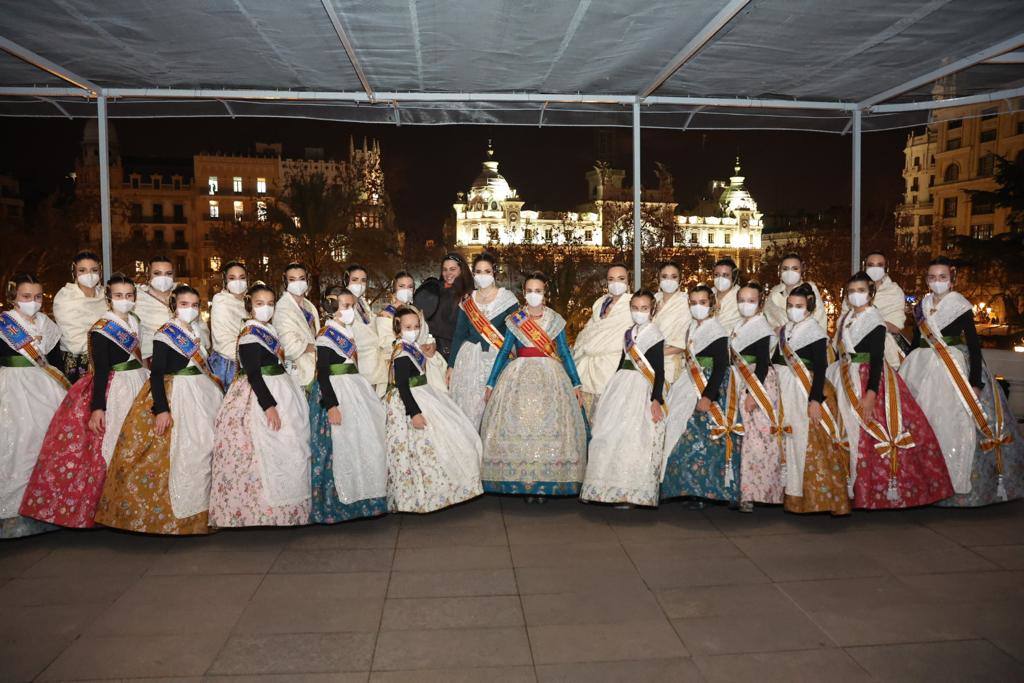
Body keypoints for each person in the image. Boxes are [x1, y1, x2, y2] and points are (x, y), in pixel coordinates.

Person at [20, 274, 149, 528]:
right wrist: (97, 407)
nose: (125, 300)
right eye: (119, 296)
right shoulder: (102, 329)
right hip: (117, 388)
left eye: (129, 295)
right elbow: (100, 370)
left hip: (139, 382)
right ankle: (108, 508)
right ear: (109, 299)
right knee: (113, 446)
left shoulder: (135, 321)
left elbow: (140, 356)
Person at [95, 285, 220, 535]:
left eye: (195, 305)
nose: (190, 309)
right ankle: (180, 518)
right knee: (184, 453)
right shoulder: (165, 334)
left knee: (207, 450)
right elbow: (157, 374)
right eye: (184, 304)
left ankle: (207, 511)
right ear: (174, 305)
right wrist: (161, 409)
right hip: (179, 395)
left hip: (203, 395)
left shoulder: (197, 332)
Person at [900, 257, 1023, 506]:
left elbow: (975, 346)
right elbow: (915, 342)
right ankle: (920, 481)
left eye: (942, 277)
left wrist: (975, 382)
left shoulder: (960, 305)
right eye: (932, 277)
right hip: (920, 366)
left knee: (951, 423)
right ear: (926, 280)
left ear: (952, 280)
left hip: (952, 366)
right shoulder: (921, 306)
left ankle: (952, 484)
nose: (937, 282)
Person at [827, 272, 953, 509]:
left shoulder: (874, 320)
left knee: (869, 433)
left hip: (867, 379)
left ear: (871, 293)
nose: (856, 295)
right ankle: (846, 485)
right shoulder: (845, 319)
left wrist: (871, 394)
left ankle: (876, 490)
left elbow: (876, 359)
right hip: (842, 376)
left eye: (861, 290)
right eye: (851, 291)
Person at [209, 284, 311, 526]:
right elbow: (253, 374)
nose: (266, 308)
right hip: (260, 396)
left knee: (291, 446)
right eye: (259, 303)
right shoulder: (250, 335)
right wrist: (269, 406)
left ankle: (290, 510)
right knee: (261, 451)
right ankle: (260, 512)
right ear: (250, 306)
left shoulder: (269, 330)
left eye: (270, 303)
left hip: (281, 387)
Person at [481, 272, 587, 498]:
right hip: (518, 377)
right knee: (519, 425)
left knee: (549, 427)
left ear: (544, 294)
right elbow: (503, 353)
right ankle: (522, 482)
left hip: (550, 378)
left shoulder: (555, 319)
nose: (533, 295)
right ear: (524, 294)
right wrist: (491, 384)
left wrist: (576, 384)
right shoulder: (515, 320)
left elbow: (565, 354)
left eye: (538, 291)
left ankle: (546, 481)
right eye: (529, 291)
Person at [384, 307, 483, 513]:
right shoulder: (402, 352)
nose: (413, 330)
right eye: (408, 327)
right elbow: (402, 386)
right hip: (412, 401)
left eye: (416, 326)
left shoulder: (412, 347)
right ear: (398, 328)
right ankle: (419, 496)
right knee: (419, 449)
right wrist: (415, 413)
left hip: (424, 393)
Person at [307, 286, 388, 523]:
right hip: (336, 393)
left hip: (355, 388)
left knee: (364, 442)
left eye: (352, 306)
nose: (350, 310)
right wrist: (331, 405)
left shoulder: (347, 331)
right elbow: (322, 374)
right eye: (345, 306)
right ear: (332, 308)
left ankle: (366, 498)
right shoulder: (326, 336)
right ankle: (336, 505)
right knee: (339, 446)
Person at [580, 290, 666, 506]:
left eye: (644, 308)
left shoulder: (654, 334)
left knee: (634, 437)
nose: (639, 312)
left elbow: (659, 370)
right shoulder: (628, 333)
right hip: (621, 384)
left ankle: (629, 491)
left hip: (641, 387)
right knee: (607, 433)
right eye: (635, 308)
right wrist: (611, 387)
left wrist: (656, 400)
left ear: (652, 310)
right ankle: (601, 488)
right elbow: (621, 361)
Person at [0, 275, 68, 538]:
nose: (32, 302)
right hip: (12, 387)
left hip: (45, 385)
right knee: (17, 441)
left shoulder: (46, 324)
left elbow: (54, 360)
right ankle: (12, 512)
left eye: (37, 297)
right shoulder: (5, 324)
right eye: (26, 296)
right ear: (13, 297)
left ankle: (47, 507)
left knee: (48, 442)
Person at [661, 285, 742, 504]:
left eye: (703, 303)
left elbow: (721, 367)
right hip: (688, 382)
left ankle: (704, 491)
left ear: (712, 305)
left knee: (703, 440)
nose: (698, 307)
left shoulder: (718, 331)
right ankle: (685, 488)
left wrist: (708, 396)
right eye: (693, 303)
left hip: (708, 388)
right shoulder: (690, 328)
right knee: (678, 432)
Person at [774, 284, 850, 515]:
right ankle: (789, 495)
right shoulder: (784, 330)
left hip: (805, 391)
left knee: (807, 442)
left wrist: (815, 400)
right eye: (790, 305)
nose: (793, 310)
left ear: (808, 308)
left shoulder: (815, 332)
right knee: (786, 440)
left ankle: (819, 499)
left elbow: (820, 367)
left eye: (799, 306)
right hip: (783, 389)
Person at [446, 252, 519, 428]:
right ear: (473, 274)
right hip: (469, 361)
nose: (482, 276)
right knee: (469, 411)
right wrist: (451, 365)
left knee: (495, 412)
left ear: (494, 272)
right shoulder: (468, 301)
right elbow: (459, 334)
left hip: (498, 360)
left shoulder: (508, 299)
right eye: (478, 272)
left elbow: (517, 334)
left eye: (487, 271)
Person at [730, 282, 785, 511]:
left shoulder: (761, 327)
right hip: (740, 380)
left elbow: (763, 363)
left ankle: (755, 494)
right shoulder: (737, 325)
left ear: (760, 303)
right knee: (742, 439)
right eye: (742, 300)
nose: (746, 305)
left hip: (757, 384)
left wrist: (754, 393)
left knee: (758, 442)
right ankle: (741, 491)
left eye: (751, 301)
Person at [572, 263, 634, 419]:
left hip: (612, 365)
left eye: (621, 279)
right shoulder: (600, 302)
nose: (616, 283)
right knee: (586, 416)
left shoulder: (633, 304)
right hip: (588, 364)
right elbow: (588, 331)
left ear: (628, 282)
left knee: (609, 417)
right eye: (611, 279)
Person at [375, 271, 448, 394]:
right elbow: (386, 344)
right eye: (401, 286)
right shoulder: (386, 315)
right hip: (402, 367)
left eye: (410, 287)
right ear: (394, 289)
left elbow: (425, 335)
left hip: (424, 364)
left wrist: (431, 345)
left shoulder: (415, 311)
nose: (406, 290)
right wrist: (416, 348)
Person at [840, 251, 909, 368]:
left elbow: (896, 327)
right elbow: (842, 320)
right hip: (853, 349)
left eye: (879, 265)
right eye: (870, 265)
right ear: (864, 266)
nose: (875, 269)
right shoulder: (853, 290)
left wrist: (871, 322)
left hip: (885, 351)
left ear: (886, 268)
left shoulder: (894, 292)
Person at [135, 256, 210, 361]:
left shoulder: (184, 295)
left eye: (168, 274)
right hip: (152, 362)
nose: (163, 278)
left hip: (189, 361)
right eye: (157, 273)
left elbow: (202, 328)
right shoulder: (137, 300)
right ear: (148, 274)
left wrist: (197, 336)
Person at [52, 250, 107, 381]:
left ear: (100, 271)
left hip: (107, 358)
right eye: (82, 270)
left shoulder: (106, 295)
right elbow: (73, 337)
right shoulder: (65, 297)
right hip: (77, 362)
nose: (89, 274)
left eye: (94, 270)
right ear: (74, 273)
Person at [414, 252, 473, 361]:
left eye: (452, 269)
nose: (448, 273)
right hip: (435, 352)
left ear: (461, 270)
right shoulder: (435, 290)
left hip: (461, 353)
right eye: (445, 269)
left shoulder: (470, 295)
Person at [273, 262, 320, 389]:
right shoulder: (282, 308)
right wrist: (318, 347)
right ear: (285, 282)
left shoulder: (309, 306)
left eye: (301, 279)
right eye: (292, 280)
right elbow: (288, 346)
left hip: (315, 369)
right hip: (296, 373)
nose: (297, 283)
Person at [209, 260, 248, 387]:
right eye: (232, 278)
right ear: (225, 281)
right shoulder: (220, 301)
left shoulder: (250, 301)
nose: (238, 282)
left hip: (250, 362)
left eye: (242, 278)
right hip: (228, 366)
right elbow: (222, 339)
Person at [764, 253, 828, 330]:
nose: (790, 272)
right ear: (780, 271)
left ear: (802, 270)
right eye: (785, 268)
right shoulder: (774, 292)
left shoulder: (809, 290)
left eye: (795, 268)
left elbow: (820, 321)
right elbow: (766, 321)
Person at [341, 264, 380, 388]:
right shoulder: (343, 307)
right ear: (346, 281)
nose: (359, 284)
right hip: (358, 364)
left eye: (363, 281)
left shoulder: (362, 303)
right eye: (355, 280)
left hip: (373, 364)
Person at [653, 261, 691, 384]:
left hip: (670, 362)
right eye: (664, 277)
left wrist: (654, 353)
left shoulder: (685, 302)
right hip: (649, 362)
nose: (669, 280)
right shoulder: (654, 299)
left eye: (674, 277)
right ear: (658, 279)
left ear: (680, 280)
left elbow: (682, 343)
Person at [712, 257, 742, 331]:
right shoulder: (707, 295)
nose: (720, 279)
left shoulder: (741, 298)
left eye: (725, 275)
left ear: (734, 278)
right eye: (717, 275)